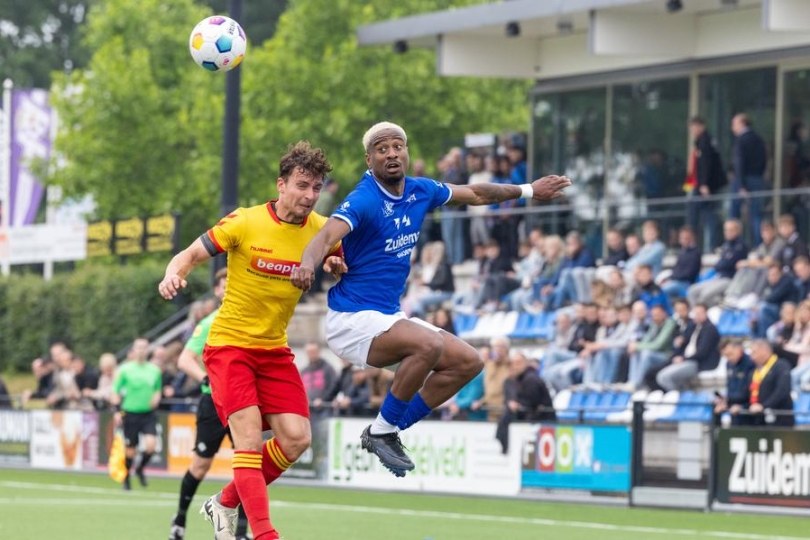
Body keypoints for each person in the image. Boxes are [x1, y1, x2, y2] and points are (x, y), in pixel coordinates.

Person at [291, 121, 570, 476]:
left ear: (406, 152)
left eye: (398, 146)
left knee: (468, 362)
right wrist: (306, 265)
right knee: (428, 344)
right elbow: (327, 232)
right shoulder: (363, 199)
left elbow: (477, 194)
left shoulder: (421, 190)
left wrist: (528, 189)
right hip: (351, 319)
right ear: (369, 159)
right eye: (382, 149)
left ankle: (386, 430)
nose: (391, 153)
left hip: (388, 317)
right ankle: (382, 430)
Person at [158, 141, 345, 540]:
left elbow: (339, 263)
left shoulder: (324, 231)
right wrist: (173, 274)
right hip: (229, 348)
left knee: (296, 440)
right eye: (302, 185)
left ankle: (224, 501)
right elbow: (188, 255)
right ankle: (263, 534)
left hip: (274, 351)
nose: (309, 195)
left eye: (316, 187)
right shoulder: (245, 222)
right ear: (281, 185)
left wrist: (335, 264)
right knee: (246, 440)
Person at [169, 269, 251, 540]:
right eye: (224, 286)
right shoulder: (209, 323)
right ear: (217, 291)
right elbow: (184, 359)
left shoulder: (250, 320)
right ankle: (179, 520)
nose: (228, 290)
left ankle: (241, 532)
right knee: (201, 466)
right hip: (213, 403)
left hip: (242, 402)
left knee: (249, 463)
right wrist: (207, 377)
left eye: (233, 285)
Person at [112, 337, 163, 491]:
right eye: (138, 347)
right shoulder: (125, 370)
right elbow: (115, 392)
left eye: (144, 347)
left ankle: (140, 468)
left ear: (148, 350)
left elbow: (157, 389)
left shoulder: (154, 370)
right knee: (130, 450)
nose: (141, 350)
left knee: (151, 446)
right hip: (130, 413)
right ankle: (126, 477)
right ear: (133, 350)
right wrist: (116, 411)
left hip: (148, 414)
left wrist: (156, 397)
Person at [654, 304, 720, 391]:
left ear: (705, 313)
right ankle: (681, 393)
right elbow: (684, 341)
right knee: (659, 375)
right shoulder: (694, 326)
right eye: (695, 313)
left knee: (666, 377)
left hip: (698, 362)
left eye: (699, 313)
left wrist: (684, 358)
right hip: (687, 359)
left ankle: (680, 397)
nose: (696, 316)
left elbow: (702, 352)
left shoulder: (709, 329)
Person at [685, 117, 725, 250]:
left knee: (706, 216)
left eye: (694, 127)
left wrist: (704, 184)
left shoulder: (705, 142)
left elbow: (705, 166)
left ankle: (709, 246)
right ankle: (697, 245)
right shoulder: (700, 142)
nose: (692, 131)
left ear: (700, 126)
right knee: (699, 216)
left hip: (703, 187)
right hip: (698, 185)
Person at [730, 113, 768, 245]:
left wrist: (741, 185)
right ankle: (758, 244)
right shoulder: (758, 139)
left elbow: (739, 163)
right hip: (757, 179)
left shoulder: (741, 140)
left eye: (734, 124)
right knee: (756, 214)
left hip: (743, 180)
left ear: (742, 124)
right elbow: (764, 160)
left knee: (734, 214)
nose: (732, 128)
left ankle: (733, 244)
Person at [747, 340, 794, 427]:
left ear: (765, 351)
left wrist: (764, 406)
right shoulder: (754, 371)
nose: (752, 357)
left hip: (780, 418)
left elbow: (782, 391)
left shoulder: (781, 366)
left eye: (754, 352)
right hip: (760, 420)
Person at [714, 341, 755, 426]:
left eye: (730, 354)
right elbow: (730, 385)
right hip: (733, 406)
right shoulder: (729, 364)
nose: (729, 358)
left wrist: (743, 406)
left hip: (748, 408)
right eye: (725, 356)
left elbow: (751, 389)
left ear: (739, 349)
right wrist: (725, 401)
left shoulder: (750, 363)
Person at [300, 342, 338, 417]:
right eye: (309, 352)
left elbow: (333, 387)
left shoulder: (328, 368)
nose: (311, 354)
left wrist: (323, 399)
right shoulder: (304, 371)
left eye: (313, 351)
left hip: (324, 408)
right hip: (308, 408)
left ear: (318, 352)